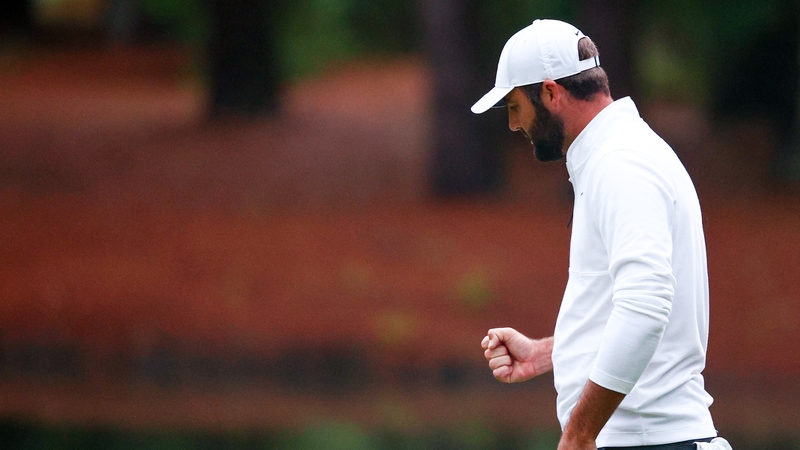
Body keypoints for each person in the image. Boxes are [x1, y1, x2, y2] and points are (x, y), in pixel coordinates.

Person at [472, 19, 732, 450]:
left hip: (651, 443)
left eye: (515, 106)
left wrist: (579, 434)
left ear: (551, 92)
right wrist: (550, 351)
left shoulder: (621, 162)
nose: (514, 125)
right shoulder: (618, 155)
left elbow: (645, 307)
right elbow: (631, 306)